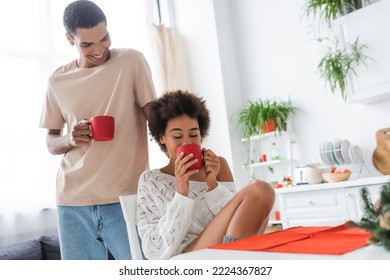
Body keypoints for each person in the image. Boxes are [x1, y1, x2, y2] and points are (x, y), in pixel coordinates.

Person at [39, 0, 156, 260]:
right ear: (70, 40)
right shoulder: (57, 80)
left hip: (126, 195)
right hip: (72, 200)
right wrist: (70, 138)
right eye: (87, 44)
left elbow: (156, 118)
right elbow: (50, 142)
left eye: (104, 38)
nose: (99, 49)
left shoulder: (131, 61)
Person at [137, 90, 275, 260]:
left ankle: (234, 261)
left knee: (262, 190)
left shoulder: (218, 166)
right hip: (186, 257)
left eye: (194, 135)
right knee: (257, 189)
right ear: (162, 137)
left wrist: (213, 185)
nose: (187, 142)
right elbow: (154, 250)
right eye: (178, 136)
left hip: (223, 249)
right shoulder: (150, 181)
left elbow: (237, 220)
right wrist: (181, 191)